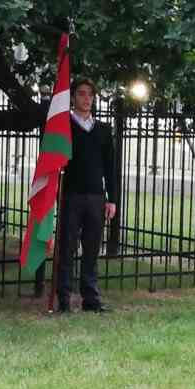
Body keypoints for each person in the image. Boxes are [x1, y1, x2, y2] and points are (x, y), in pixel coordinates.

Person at [56, 78, 117, 313]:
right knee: (67, 247)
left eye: (90, 94)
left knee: (91, 249)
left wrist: (112, 198)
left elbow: (110, 166)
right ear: (73, 97)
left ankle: (90, 298)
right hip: (71, 195)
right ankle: (64, 297)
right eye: (81, 94)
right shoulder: (64, 127)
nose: (86, 98)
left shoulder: (102, 129)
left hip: (96, 197)